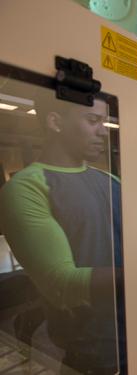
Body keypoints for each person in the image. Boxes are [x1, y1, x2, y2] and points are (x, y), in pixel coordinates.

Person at [0, 92, 124, 374]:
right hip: (89, 354)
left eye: (104, 122)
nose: (103, 132)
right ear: (55, 121)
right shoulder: (25, 188)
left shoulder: (109, 181)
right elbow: (62, 283)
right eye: (93, 120)